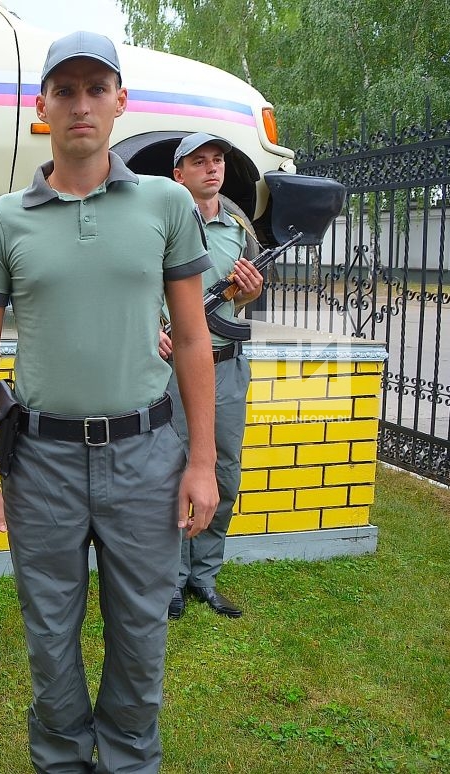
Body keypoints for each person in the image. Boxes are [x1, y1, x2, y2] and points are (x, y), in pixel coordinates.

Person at [0, 31, 220, 774]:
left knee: (141, 631)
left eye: (95, 89)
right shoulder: (3, 221)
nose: (81, 104)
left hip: (146, 454)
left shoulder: (167, 204)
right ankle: (62, 759)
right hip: (40, 462)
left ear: (120, 102)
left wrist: (202, 461)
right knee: (50, 632)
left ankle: (132, 758)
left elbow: (195, 341)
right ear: (42, 106)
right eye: (64, 90)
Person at [163, 132, 263, 620]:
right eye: (198, 162)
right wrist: (146, 331)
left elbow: (242, 299)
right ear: (178, 173)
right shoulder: (158, 221)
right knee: (171, 472)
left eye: (218, 160)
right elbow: (134, 286)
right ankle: (173, 581)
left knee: (222, 471)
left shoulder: (238, 226)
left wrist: (247, 294)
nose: (212, 169)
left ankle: (205, 576)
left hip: (224, 367)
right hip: (166, 370)